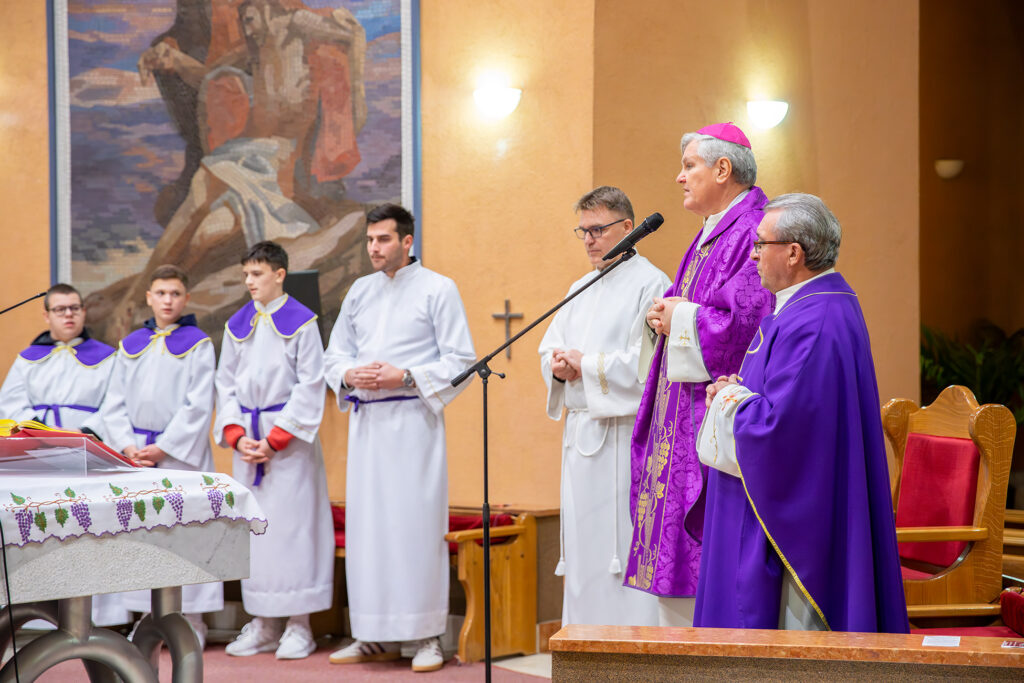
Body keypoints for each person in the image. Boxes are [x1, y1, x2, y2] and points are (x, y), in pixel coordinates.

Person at [695, 193, 909, 632]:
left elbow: (779, 429)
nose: (753, 255)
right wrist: (737, 391)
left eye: (761, 244)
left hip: (799, 527)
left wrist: (727, 400)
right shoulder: (812, 305)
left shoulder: (815, 321)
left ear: (793, 253)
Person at [623, 123, 774, 626]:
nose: (680, 177)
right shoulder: (714, 230)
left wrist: (681, 317)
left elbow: (747, 321)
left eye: (689, 166)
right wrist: (665, 314)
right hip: (683, 412)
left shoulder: (754, 230)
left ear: (722, 169)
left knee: (706, 568)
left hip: (711, 411)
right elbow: (696, 306)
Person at [323, 204, 474, 673]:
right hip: (368, 425)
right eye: (370, 240)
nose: (374, 248)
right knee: (369, 531)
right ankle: (371, 634)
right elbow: (334, 356)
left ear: (407, 241)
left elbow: (461, 361)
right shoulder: (359, 291)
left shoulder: (438, 288)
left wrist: (405, 375)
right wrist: (350, 373)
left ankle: (426, 636)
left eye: (383, 239)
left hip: (413, 423)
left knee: (413, 528)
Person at [537, 186, 667, 627]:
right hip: (580, 441)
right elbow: (550, 348)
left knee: (621, 548)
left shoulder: (651, 283)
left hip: (623, 442)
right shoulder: (580, 287)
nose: (589, 240)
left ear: (628, 228)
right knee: (583, 550)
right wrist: (558, 367)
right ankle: (583, 650)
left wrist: (587, 365)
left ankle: (630, 651)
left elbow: (649, 366)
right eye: (583, 231)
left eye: (598, 230)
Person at [87, 265, 221, 647]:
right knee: (144, 535)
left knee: (185, 534)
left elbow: (198, 404)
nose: (167, 301)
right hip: (137, 457)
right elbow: (114, 402)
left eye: (175, 294)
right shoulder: (132, 344)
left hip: (178, 456)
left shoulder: (198, 345)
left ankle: (192, 619)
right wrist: (127, 445)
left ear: (186, 298)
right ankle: (146, 617)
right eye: (161, 293)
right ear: (149, 297)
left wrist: (166, 446)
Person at [214, 240, 332, 659]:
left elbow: (311, 384)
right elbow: (225, 384)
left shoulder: (302, 323)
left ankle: (300, 626)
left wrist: (276, 439)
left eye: (257, 274)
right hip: (248, 442)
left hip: (288, 446)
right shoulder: (237, 325)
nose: (250, 281)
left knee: (293, 531)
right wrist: (235, 433)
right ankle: (263, 623)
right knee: (256, 533)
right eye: (246, 274)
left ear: (279, 275)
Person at [0, 283, 130, 627]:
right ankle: (42, 617)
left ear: (84, 312)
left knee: (92, 531)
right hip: (37, 455)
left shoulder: (107, 357)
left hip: (86, 453)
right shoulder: (28, 359)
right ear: (47, 316)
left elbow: (114, 405)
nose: (68, 315)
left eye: (74, 308)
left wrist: (80, 433)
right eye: (60, 309)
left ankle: (102, 617)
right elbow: (11, 402)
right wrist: (41, 432)